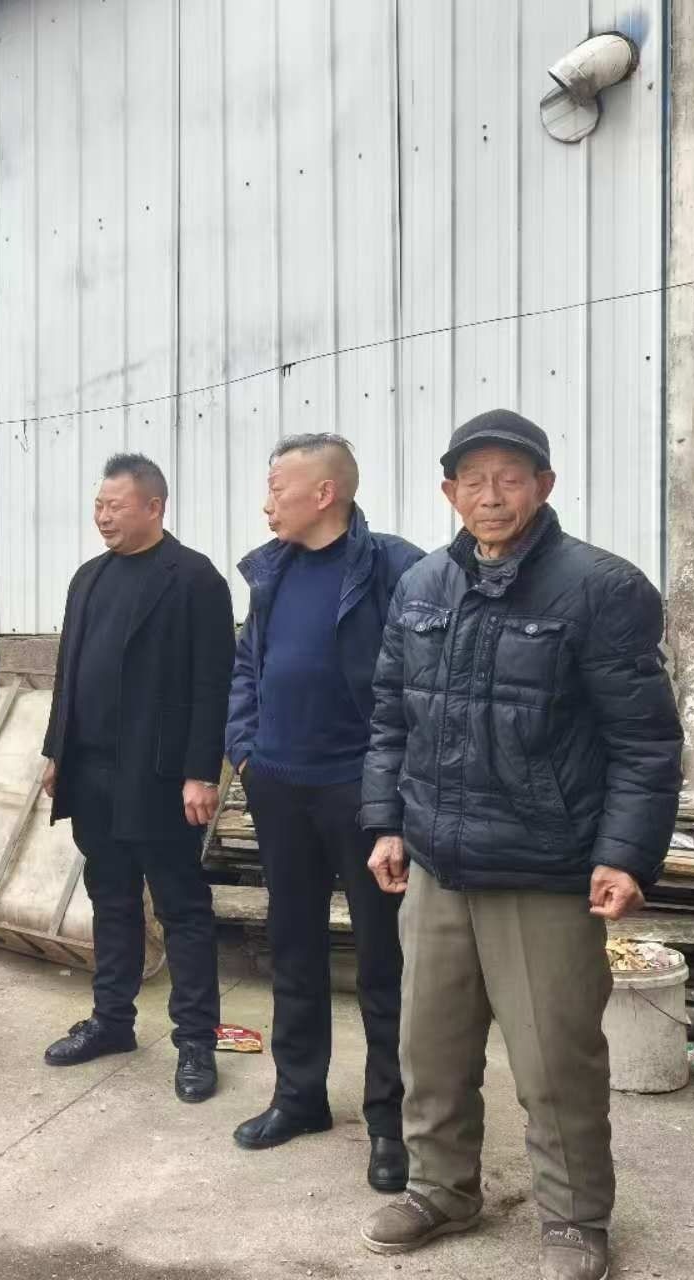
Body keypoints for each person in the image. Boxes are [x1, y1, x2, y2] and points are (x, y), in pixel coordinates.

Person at [356, 410, 682, 1280]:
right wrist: (385, 822)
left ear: (543, 486)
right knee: (429, 1047)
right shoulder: (422, 585)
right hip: (436, 863)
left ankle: (574, 1220)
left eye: (509, 477)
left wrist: (625, 854)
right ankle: (440, 1189)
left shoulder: (600, 589)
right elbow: (389, 718)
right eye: (474, 479)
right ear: (449, 492)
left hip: (545, 869)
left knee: (553, 1060)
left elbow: (644, 741)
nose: (491, 495)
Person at [223, 435, 423, 1188]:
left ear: (324, 493)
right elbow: (247, 665)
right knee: (294, 948)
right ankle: (298, 1096)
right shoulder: (270, 571)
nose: (266, 503)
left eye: (278, 487)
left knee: (382, 960)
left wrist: (393, 789)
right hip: (280, 787)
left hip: (362, 792)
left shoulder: (394, 568)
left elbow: (418, 683)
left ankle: (390, 1123)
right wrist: (246, 750)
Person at [39, 454, 235, 1103]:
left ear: (154, 506)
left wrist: (200, 772)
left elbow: (213, 685)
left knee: (181, 908)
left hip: (159, 777)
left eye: (115, 506)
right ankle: (112, 1021)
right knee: (111, 900)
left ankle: (196, 1042)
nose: (103, 516)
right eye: (98, 505)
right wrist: (56, 752)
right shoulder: (88, 578)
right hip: (92, 772)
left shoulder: (195, 579)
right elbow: (67, 673)